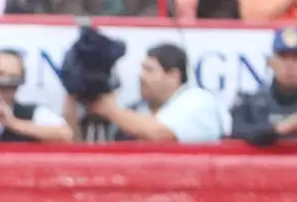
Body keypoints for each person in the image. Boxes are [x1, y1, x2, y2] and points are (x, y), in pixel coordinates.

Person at [72, 44, 224, 144]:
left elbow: (161, 134)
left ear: (173, 76)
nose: (142, 77)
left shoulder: (197, 100)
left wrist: (108, 110)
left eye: (149, 70)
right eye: (142, 70)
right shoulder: (137, 110)